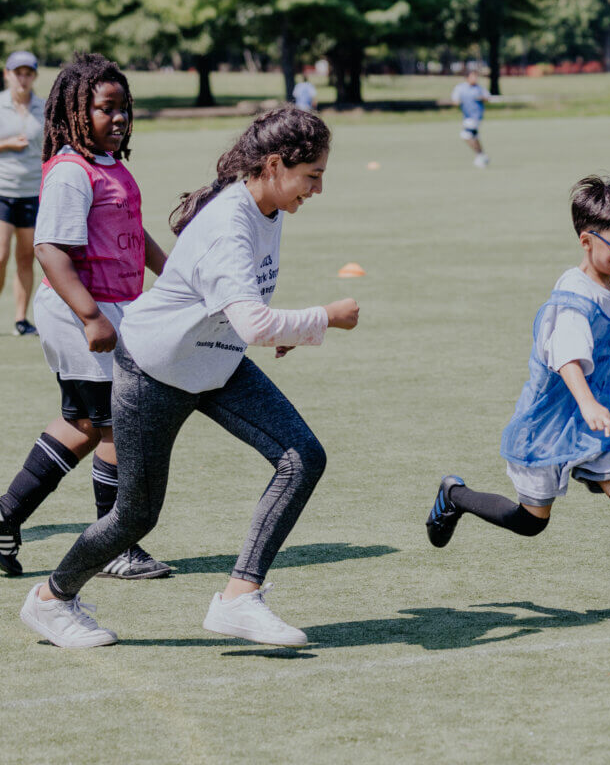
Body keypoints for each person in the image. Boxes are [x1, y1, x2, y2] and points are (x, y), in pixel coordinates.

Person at [19, 105, 360, 648]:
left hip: (215, 364)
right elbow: (254, 322)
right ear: (274, 165)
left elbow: (240, 310)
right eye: (312, 175)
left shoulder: (265, 207)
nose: (317, 189)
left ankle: (239, 599)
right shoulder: (231, 224)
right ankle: (51, 600)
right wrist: (325, 318)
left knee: (302, 458)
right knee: (134, 517)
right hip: (155, 369)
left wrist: (287, 332)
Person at [426, 175, 610, 632]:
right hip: (553, 424)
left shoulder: (599, 281)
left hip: (591, 420)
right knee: (530, 523)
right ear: (587, 241)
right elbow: (566, 356)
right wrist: (586, 403)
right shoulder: (573, 298)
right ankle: (455, 496)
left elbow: (589, 343)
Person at [0, 54, 171, 580]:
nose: (118, 119)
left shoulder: (111, 164)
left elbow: (133, 234)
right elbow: (50, 251)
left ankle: (5, 517)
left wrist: (175, 274)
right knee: (116, 426)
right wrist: (93, 317)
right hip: (80, 312)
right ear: (77, 111)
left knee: (81, 424)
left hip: (105, 309)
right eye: (105, 108)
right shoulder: (73, 171)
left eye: (124, 108)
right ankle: (113, 545)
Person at [0, 51, 44, 336]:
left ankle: (20, 319)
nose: (23, 78)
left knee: (26, 257)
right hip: (3, 190)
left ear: (34, 76)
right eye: (18, 73)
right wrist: (5, 144)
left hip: (32, 191)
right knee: (0, 255)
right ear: (7, 74)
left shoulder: (43, 107)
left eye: (28, 73)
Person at [450, 69, 490, 168]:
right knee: (474, 137)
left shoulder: (479, 88)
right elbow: (455, 100)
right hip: (466, 116)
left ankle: (480, 156)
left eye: (476, 77)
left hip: (476, 116)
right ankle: (482, 155)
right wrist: (457, 102)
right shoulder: (460, 88)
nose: (475, 79)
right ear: (467, 78)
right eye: (473, 76)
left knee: (465, 135)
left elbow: (487, 98)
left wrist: (482, 98)